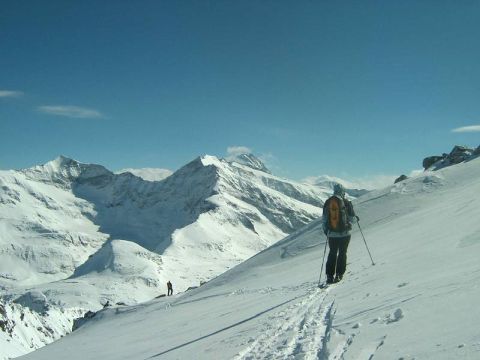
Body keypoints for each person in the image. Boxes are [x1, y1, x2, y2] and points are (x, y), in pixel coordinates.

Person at [322, 183, 358, 284]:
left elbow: (324, 219)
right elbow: (352, 219)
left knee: (332, 253)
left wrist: (327, 231)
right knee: (342, 253)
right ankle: (339, 274)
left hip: (332, 234)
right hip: (345, 234)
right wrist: (355, 219)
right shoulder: (346, 202)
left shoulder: (328, 202)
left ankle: (329, 276)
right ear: (343, 191)